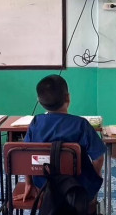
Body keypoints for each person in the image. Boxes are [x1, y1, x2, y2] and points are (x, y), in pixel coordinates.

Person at [19, 75, 106, 203]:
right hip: (77, 186)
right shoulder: (81, 124)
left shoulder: (36, 123)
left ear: (40, 101)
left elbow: (26, 156)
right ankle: (89, 209)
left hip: (44, 186)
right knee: (93, 178)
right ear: (68, 98)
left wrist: (29, 184)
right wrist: (94, 177)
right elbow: (98, 158)